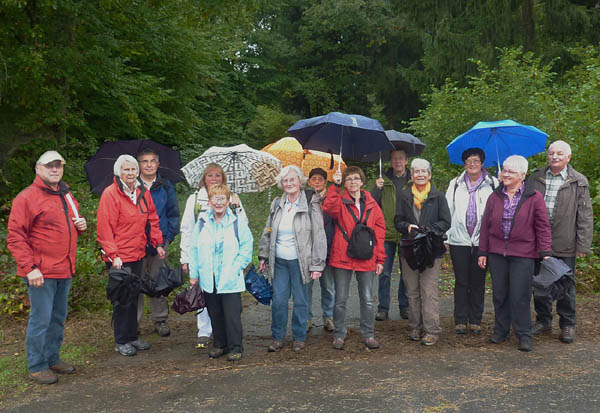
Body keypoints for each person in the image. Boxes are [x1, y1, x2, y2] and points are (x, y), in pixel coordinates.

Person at [7, 151, 87, 385]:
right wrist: (29, 267)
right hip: (40, 272)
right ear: (38, 169)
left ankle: (52, 358)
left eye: (58, 165)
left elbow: (71, 224)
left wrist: (80, 226)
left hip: (65, 269)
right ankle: (37, 365)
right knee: (41, 319)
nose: (54, 169)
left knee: (57, 318)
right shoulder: (27, 198)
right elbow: (15, 237)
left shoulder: (66, 194)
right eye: (49, 166)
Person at [478, 155, 552, 352]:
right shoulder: (494, 197)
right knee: (500, 295)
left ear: (522, 174)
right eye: (504, 170)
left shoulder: (534, 197)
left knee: (520, 296)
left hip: (523, 254)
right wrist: (483, 251)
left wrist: (545, 252)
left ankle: (524, 334)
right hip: (496, 253)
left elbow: (543, 227)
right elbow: (485, 226)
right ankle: (501, 330)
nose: (505, 174)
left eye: (511, 171)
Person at [97, 154, 166, 356]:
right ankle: (121, 340)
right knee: (122, 300)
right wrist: (113, 255)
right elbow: (104, 228)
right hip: (119, 257)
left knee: (134, 296)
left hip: (138, 252)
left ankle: (133, 336)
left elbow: (152, 219)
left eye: (133, 169)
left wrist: (158, 243)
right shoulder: (110, 194)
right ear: (119, 172)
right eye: (126, 169)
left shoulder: (142, 192)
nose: (130, 173)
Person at [528, 140, 593, 343]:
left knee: (565, 286)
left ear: (568, 158)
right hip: (538, 242)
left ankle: (567, 324)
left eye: (559, 154)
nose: (554, 157)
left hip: (565, 242)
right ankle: (544, 320)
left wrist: (582, 244)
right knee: (540, 284)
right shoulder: (536, 177)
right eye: (551, 153)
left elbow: (585, 215)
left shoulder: (578, 181)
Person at [258, 165, 327, 352]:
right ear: (282, 184)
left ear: (300, 181)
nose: (289, 183)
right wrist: (263, 255)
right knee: (279, 300)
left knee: (300, 301)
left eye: (292, 179)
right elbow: (268, 230)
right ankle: (278, 337)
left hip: (301, 262)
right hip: (279, 261)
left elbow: (319, 235)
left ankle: (299, 337)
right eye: (285, 180)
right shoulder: (277, 204)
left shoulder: (311, 203)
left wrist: (317, 265)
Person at [180, 163, 246, 349]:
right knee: (205, 300)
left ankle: (233, 343)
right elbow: (188, 232)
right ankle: (205, 332)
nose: (214, 178)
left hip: (227, 268)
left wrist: (237, 207)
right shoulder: (194, 201)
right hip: (203, 261)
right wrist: (187, 260)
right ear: (204, 178)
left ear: (223, 179)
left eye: (218, 175)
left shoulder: (232, 200)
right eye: (210, 175)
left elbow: (244, 232)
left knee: (228, 308)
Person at [323, 166, 386, 350]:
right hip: (342, 256)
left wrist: (380, 258)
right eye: (348, 179)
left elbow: (379, 232)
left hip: (366, 257)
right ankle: (339, 334)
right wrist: (334, 187)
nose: (352, 182)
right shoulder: (339, 200)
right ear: (344, 182)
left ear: (362, 181)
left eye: (356, 178)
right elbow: (329, 208)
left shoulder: (372, 204)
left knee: (367, 298)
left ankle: (368, 334)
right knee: (340, 298)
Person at [189, 184, 253, 361]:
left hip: (230, 278)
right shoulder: (202, 222)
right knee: (214, 313)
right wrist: (194, 273)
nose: (218, 203)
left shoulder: (236, 221)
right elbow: (193, 248)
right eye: (215, 199)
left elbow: (247, 246)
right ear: (209, 202)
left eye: (222, 199)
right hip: (209, 277)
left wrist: (238, 266)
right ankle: (220, 344)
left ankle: (235, 347)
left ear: (227, 201)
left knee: (232, 315)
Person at [394, 158, 451, 346]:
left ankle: (432, 330)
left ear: (429, 175)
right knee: (412, 290)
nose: (420, 175)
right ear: (411, 175)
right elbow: (398, 221)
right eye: (416, 172)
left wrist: (430, 229)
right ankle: (415, 327)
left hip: (430, 249)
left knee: (429, 290)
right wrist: (407, 227)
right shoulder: (404, 196)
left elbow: (445, 222)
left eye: (423, 172)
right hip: (409, 249)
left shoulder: (438, 196)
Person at [446, 148, 498, 335]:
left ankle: (475, 319)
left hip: (482, 242)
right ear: (464, 163)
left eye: (476, 160)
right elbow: (448, 209)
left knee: (478, 281)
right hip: (458, 240)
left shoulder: (493, 183)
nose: (472, 164)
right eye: (468, 160)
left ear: (482, 163)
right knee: (461, 281)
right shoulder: (455, 184)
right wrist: (446, 236)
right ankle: (460, 319)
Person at [136, 147, 180, 337]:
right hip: (134, 243)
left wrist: (168, 237)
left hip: (160, 242)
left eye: (152, 161)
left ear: (158, 164)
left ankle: (160, 319)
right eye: (144, 161)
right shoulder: (131, 185)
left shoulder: (165, 186)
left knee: (159, 280)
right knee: (135, 282)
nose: (148, 165)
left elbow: (173, 213)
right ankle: (133, 322)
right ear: (138, 165)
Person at [371, 148, 411, 321]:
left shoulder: (413, 180)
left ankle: (405, 305)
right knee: (384, 272)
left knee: (406, 273)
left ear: (406, 161)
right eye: (394, 159)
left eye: (401, 159)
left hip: (406, 232)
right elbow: (370, 203)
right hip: (386, 232)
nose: (397, 162)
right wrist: (376, 188)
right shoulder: (382, 181)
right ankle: (383, 307)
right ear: (390, 161)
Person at [306, 167, 335, 332]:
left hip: (328, 248)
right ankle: (307, 317)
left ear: (325, 182)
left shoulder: (331, 198)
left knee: (328, 286)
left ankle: (328, 317)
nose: (316, 182)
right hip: (308, 250)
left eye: (320, 179)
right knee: (306, 287)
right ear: (309, 181)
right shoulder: (304, 198)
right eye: (314, 178)